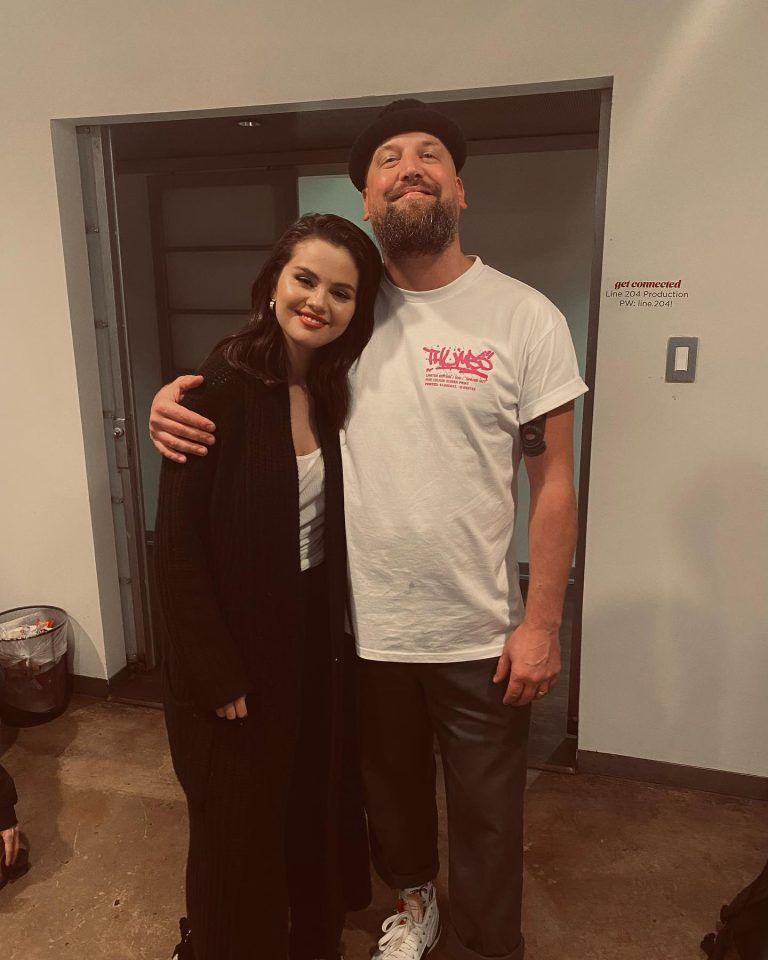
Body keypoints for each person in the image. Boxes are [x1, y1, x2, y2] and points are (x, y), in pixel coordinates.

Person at [150, 100, 588, 960]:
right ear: (367, 198)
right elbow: (262, 365)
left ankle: (488, 944)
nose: (409, 167)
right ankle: (415, 908)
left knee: (489, 816)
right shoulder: (352, 310)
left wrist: (542, 622)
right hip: (363, 630)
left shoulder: (524, 316)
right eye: (388, 158)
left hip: (478, 629)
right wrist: (177, 397)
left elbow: (556, 480)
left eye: (429, 154)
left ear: (460, 189)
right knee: (389, 804)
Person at [155, 213, 382, 960]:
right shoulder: (219, 384)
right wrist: (214, 671)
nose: (318, 301)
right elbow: (177, 547)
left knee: (307, 806)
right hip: (231, 650)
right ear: (274, 282)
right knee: (235, 832)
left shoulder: (335, 384)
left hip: (313, 637)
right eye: (305, 279)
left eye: (341, 292)